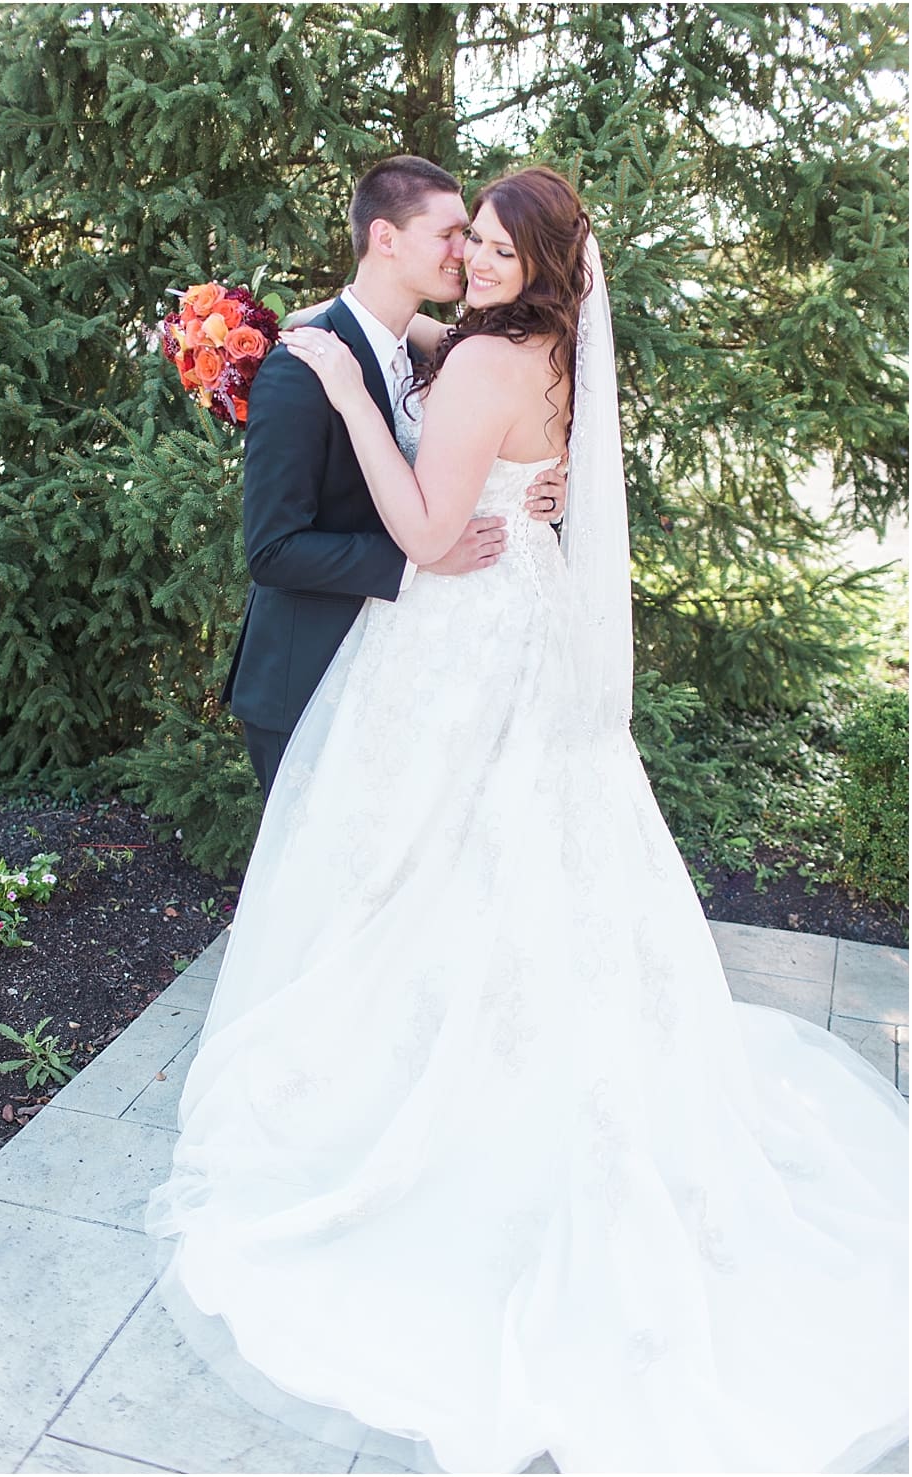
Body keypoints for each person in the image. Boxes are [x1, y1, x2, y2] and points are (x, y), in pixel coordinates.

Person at [145, 165, 908, 1474]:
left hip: (458, 639)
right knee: (481, 873)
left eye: (489, 244)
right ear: (400, 244)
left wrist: (358, 405)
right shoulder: (524, 345)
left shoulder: (469, 357)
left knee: (431, 873)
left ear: (533, 260)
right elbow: (400, 442)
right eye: (459, 239)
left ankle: (423, 1120)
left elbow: (431, 524)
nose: (469, 258)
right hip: (508, 633)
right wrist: (380, 390)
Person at [224, 155, 571, 798]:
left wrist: (553, 481)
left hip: (408, 676)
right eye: (452, 235)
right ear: (385, 238)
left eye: (474, 237)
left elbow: (513, 423)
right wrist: (419, 561)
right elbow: (272, 551)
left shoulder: (443, 350)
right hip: (308, 677)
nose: (464, 253)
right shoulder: (304, 368)